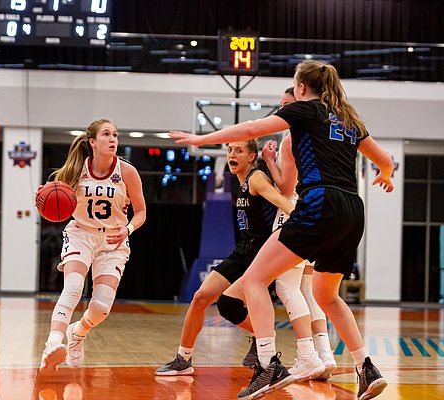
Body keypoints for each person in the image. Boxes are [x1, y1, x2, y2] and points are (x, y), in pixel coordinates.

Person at [171, 60, 393, 400]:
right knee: (326, 295)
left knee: (256, 279)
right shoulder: (349, 119)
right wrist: (386, 175)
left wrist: (202, 139)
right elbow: (384, 159)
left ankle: (269, 363)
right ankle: (366, 367)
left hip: (321, 202)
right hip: (353, 210)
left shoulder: (305, 110)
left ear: (301, 88)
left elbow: (249, 131)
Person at [214, 88, 336, 383]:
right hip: (326, 208)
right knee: (311, 289)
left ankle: (307, 356)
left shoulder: (293, 137)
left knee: (286, 286)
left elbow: (285, 185)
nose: (281, 110)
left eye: (285, 104)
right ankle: (324, 355)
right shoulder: (324, 130)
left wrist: (269, 162)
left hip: (297, 209)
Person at [156, 139, 295, 376]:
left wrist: (312, 226)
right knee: (200, 297)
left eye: (239, 150)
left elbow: (283, 203)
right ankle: (184, 358)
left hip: (262, 253)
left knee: (228, 305)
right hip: (244, 249)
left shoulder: (256, 178)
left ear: (251, 157)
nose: (232, 154)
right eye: (230, 150)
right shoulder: (239, 182)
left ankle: (264, 342)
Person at [39, 118, 146, 374]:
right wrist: (42, 197)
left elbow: (141, 212)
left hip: (113, 241)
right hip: (81, 235)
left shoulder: (127, 172)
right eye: (107, 134)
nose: (113, 140)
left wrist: (127, 229)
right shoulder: (76, 170)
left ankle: (77, 333)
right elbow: (53, 196)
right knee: (74, 287)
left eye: (115, 135)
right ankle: (52, 344)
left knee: (100, 308)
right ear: (93, 142)